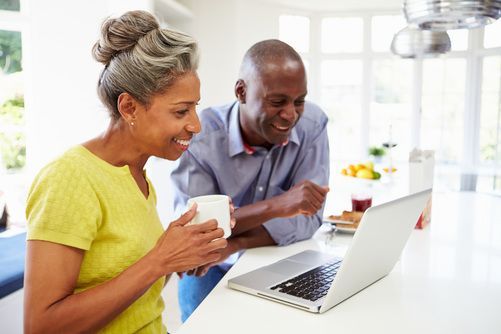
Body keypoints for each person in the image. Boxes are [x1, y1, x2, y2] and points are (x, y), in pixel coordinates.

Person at [24, 10, 232, 333]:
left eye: (195, 107)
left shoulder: (139, 179)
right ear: (129, 107)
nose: (196, 125)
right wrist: (159, 261)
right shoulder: (69, 178)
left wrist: (180, 260)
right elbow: (41, 326)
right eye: (181, 111)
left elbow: (133, 296)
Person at [171, 39, 330, 322]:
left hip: (276, 262)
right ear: (241, 92)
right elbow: (196, 233)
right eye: (277, 101)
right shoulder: (200, 136)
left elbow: (308, 219)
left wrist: (232, 244)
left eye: (299, 101)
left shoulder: (313, 125)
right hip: (209, 268)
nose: (291, 114)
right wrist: (279, 206)